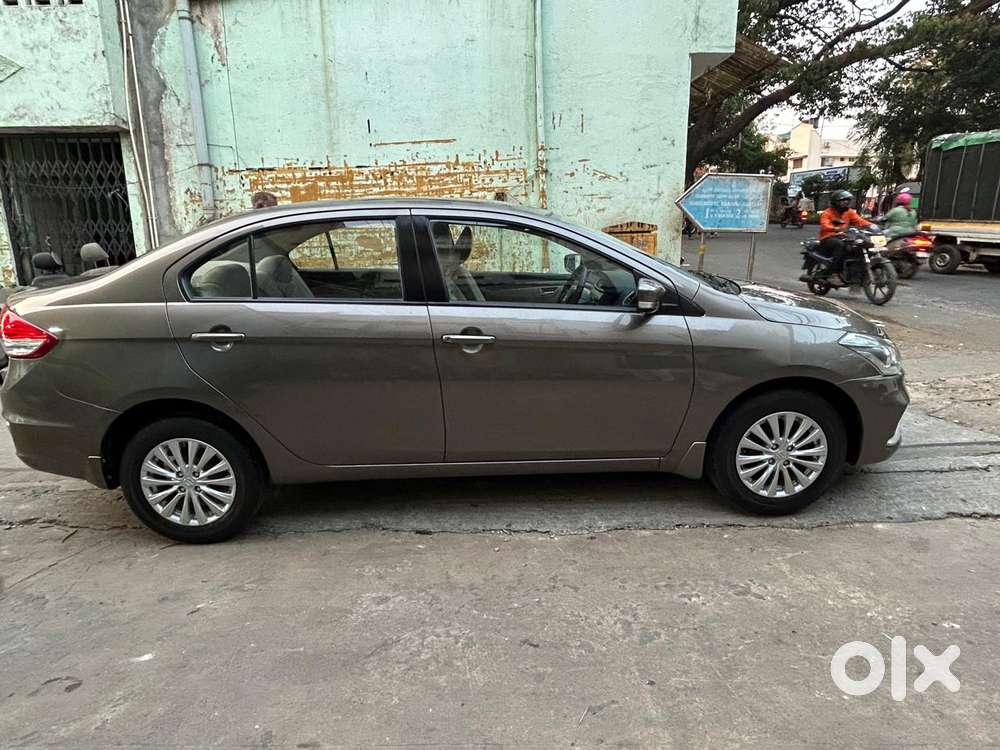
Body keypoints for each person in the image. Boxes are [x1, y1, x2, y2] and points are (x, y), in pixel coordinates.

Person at [818, 190, 874, 281]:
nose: (846, 202)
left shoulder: (849, 212)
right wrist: (835, 229)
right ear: (836, 202)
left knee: (861, 245)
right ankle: (833, 274)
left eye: (848, 200)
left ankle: (855, 273)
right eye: (843, 200)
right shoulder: (827, 213)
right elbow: (824, 225)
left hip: (843, 236)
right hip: (828, 237)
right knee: (840, 245)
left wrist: (872, 226)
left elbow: (860, 221)